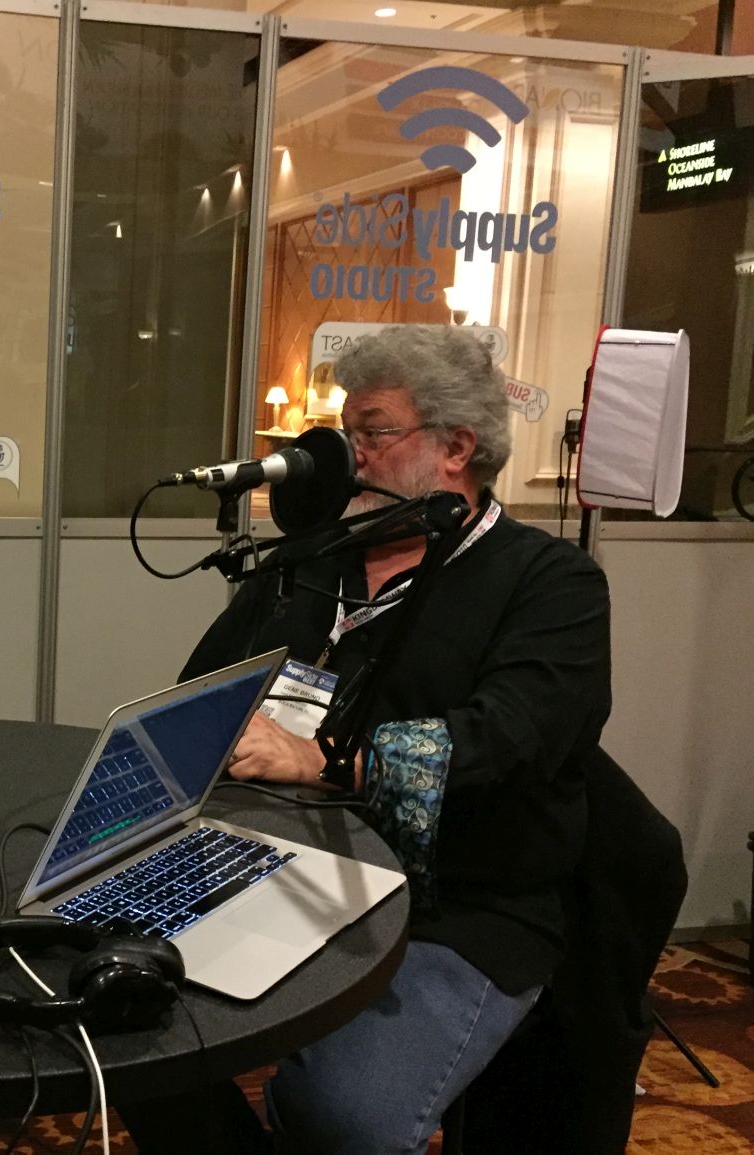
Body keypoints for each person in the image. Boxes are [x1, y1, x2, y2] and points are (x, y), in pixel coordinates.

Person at [122, 325, 612, 1154]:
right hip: (273, 864)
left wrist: (322, 760)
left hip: (454, 907)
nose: (348, 458)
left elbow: (508, 739)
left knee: (346, 1115)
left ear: (456, 447)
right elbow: (199, 693)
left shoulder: (550, 582)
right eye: (345, 433)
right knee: (124, 1013)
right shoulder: (310, 563)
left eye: (373, 433)